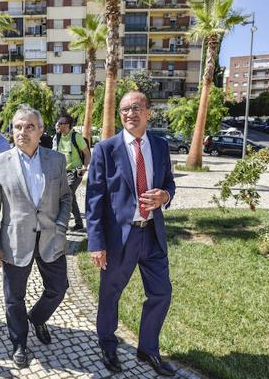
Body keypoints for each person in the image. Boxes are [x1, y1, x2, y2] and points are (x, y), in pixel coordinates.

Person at [86, 91, 176, 376]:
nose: (129, 114)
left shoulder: (161, 146)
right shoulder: (105, 149)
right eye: (124, 109)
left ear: (148, 112)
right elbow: (94, 199)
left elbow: (170, 184)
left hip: (152, 234)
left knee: (161, 293)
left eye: (136, 108)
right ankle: (108, 345)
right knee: (110, 295)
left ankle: (148, 349)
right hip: (118, 240)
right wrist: (96, 243)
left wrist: (165, 196)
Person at [0, 105, 72, 369]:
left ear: (41, 130)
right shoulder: (0, 162)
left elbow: (66, 197)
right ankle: (19, 342)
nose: (22, 131)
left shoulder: (56, 160)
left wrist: (61, 226)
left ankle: (37, 317)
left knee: (58, 289)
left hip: (50, 239)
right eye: (18, 126)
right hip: (14, 240)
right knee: (14, 297)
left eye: (29, 126)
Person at [53, 115, 91, 231]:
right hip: (61, 172)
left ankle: (62, 223)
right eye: (58, 124)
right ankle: (79, 223)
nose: (58, 126)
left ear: (67, 125)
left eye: (60, 124)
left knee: (66, 195)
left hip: (75, 172)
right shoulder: (58, 137)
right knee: (70, 197)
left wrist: (84, 167)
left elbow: (87, 153)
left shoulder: (76, 137)